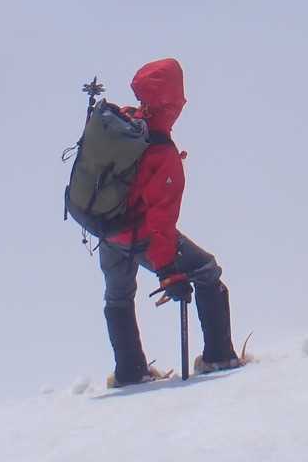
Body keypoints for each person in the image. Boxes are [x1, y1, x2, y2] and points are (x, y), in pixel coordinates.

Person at [99, 58, 243, 385]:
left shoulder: (126, 123)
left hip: (106, 228)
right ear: (172, 100)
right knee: (206, 270)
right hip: (136, 233)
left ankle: (129, 371)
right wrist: (167, 272)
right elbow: (160, 222)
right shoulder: (161, 151)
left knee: (118, 296)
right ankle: (219, 356)